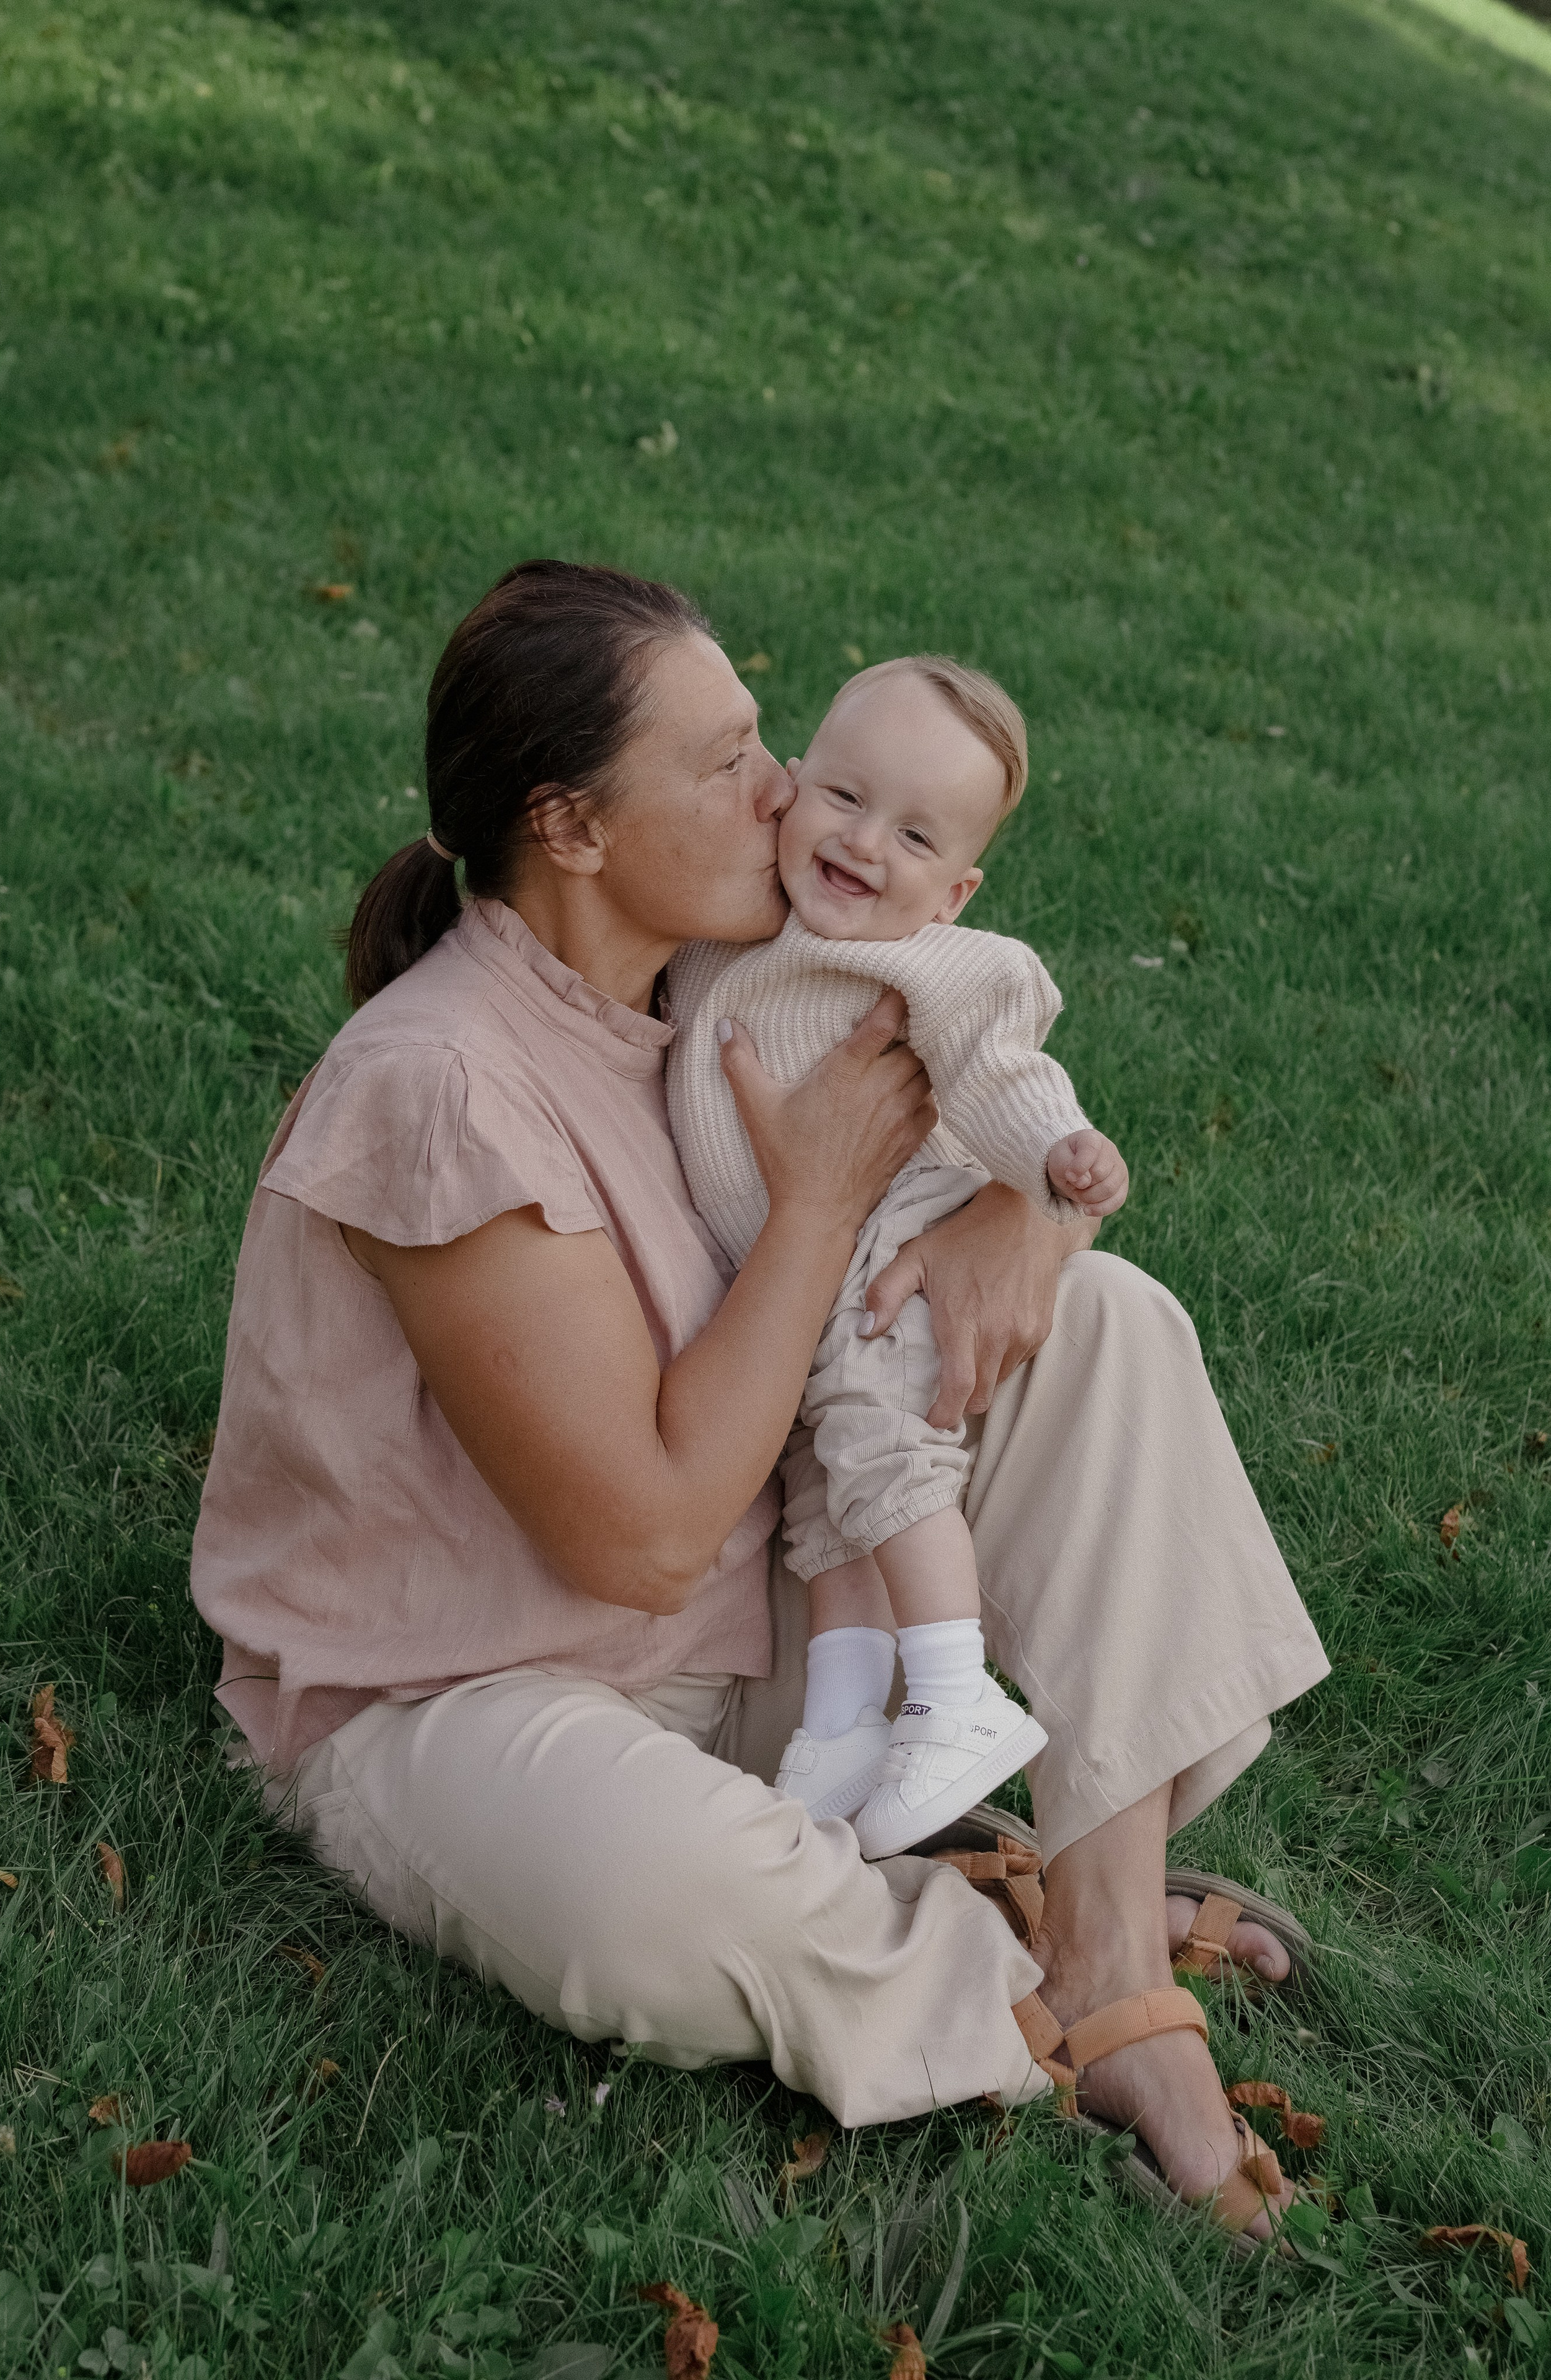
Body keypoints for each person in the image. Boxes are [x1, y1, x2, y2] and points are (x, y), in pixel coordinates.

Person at [192, 559, 1330, 2244]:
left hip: (752, 1636)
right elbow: (638, 1541)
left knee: (1115, 1328)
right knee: (640, 1894)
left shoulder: (707, 985)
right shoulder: (438, 1092)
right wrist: (811, 1208)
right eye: (727, 763)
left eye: (764, 737)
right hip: (464, 1698)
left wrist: (1037, 1213)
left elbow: (990, 1093)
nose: (787, 792)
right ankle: (1003, 1970)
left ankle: (1098, 1934)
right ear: (573, 828)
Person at [666, 655, 1129, 1857]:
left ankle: (952, 1690)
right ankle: (840, 1732)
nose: (865, 843)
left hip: (890, 1253)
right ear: (792, 785)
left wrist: (1057, 1155)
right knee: (828, 1504)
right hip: (798, 1274)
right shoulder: (733, 929)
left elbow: (998, 1067)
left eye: (913, 835)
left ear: (955, 890)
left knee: (883, 1447)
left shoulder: (929, 963)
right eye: (845, 797)